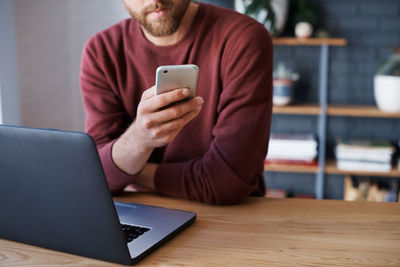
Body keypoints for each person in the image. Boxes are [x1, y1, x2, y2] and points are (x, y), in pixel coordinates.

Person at [80, 0, 273, 205]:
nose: (155, 1)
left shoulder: (242, 38)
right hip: (142, 210)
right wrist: (139, 138)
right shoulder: (101, 51)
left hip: (229, 217)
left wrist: (127, 168)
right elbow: (98, 178)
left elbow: (225, 183)